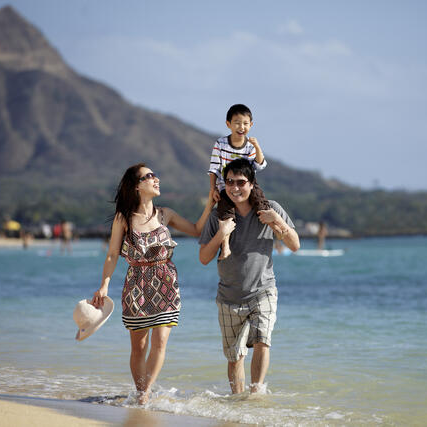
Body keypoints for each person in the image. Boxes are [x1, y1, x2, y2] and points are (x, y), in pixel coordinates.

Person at [91, 163, 214, 405]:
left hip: (166, 282)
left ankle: (144, 394)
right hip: (136, 284)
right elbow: (112, 255)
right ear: (137, 186)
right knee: (139, 347)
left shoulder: (164, 214)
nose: (156, 179)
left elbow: (197, 229)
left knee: (160, 342)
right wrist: (104, 285)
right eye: (149, 176)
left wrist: (210, 201)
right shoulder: (123, 218)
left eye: (156, 174)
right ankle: (140, 393)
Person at [199, 158, 300, 395]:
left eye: (241, 182)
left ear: (252, 183)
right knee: (235, 357)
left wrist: (277, 222)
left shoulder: (270, 208)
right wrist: (221, 234)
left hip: (263, 290)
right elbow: (203, 257)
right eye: (230, 182)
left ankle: (256, 395)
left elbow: (295, 245)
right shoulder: (218, 216)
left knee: (262, 342)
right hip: (229, 296)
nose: (235, 188)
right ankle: (238, 404)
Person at [208, 104, 269, 260]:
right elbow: (214, 168)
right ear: (228, 124)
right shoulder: (220, 144)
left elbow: (259, 165)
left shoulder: (250, 146)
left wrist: (257, 146)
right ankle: (226, 247)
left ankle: (277, 227)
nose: (241, 127)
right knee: (225, 214)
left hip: (248, 185)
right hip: (226, 186)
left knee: (262, 204)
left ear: (251, 125)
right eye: (237, 122)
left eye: (245, 123)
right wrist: (213, 188)